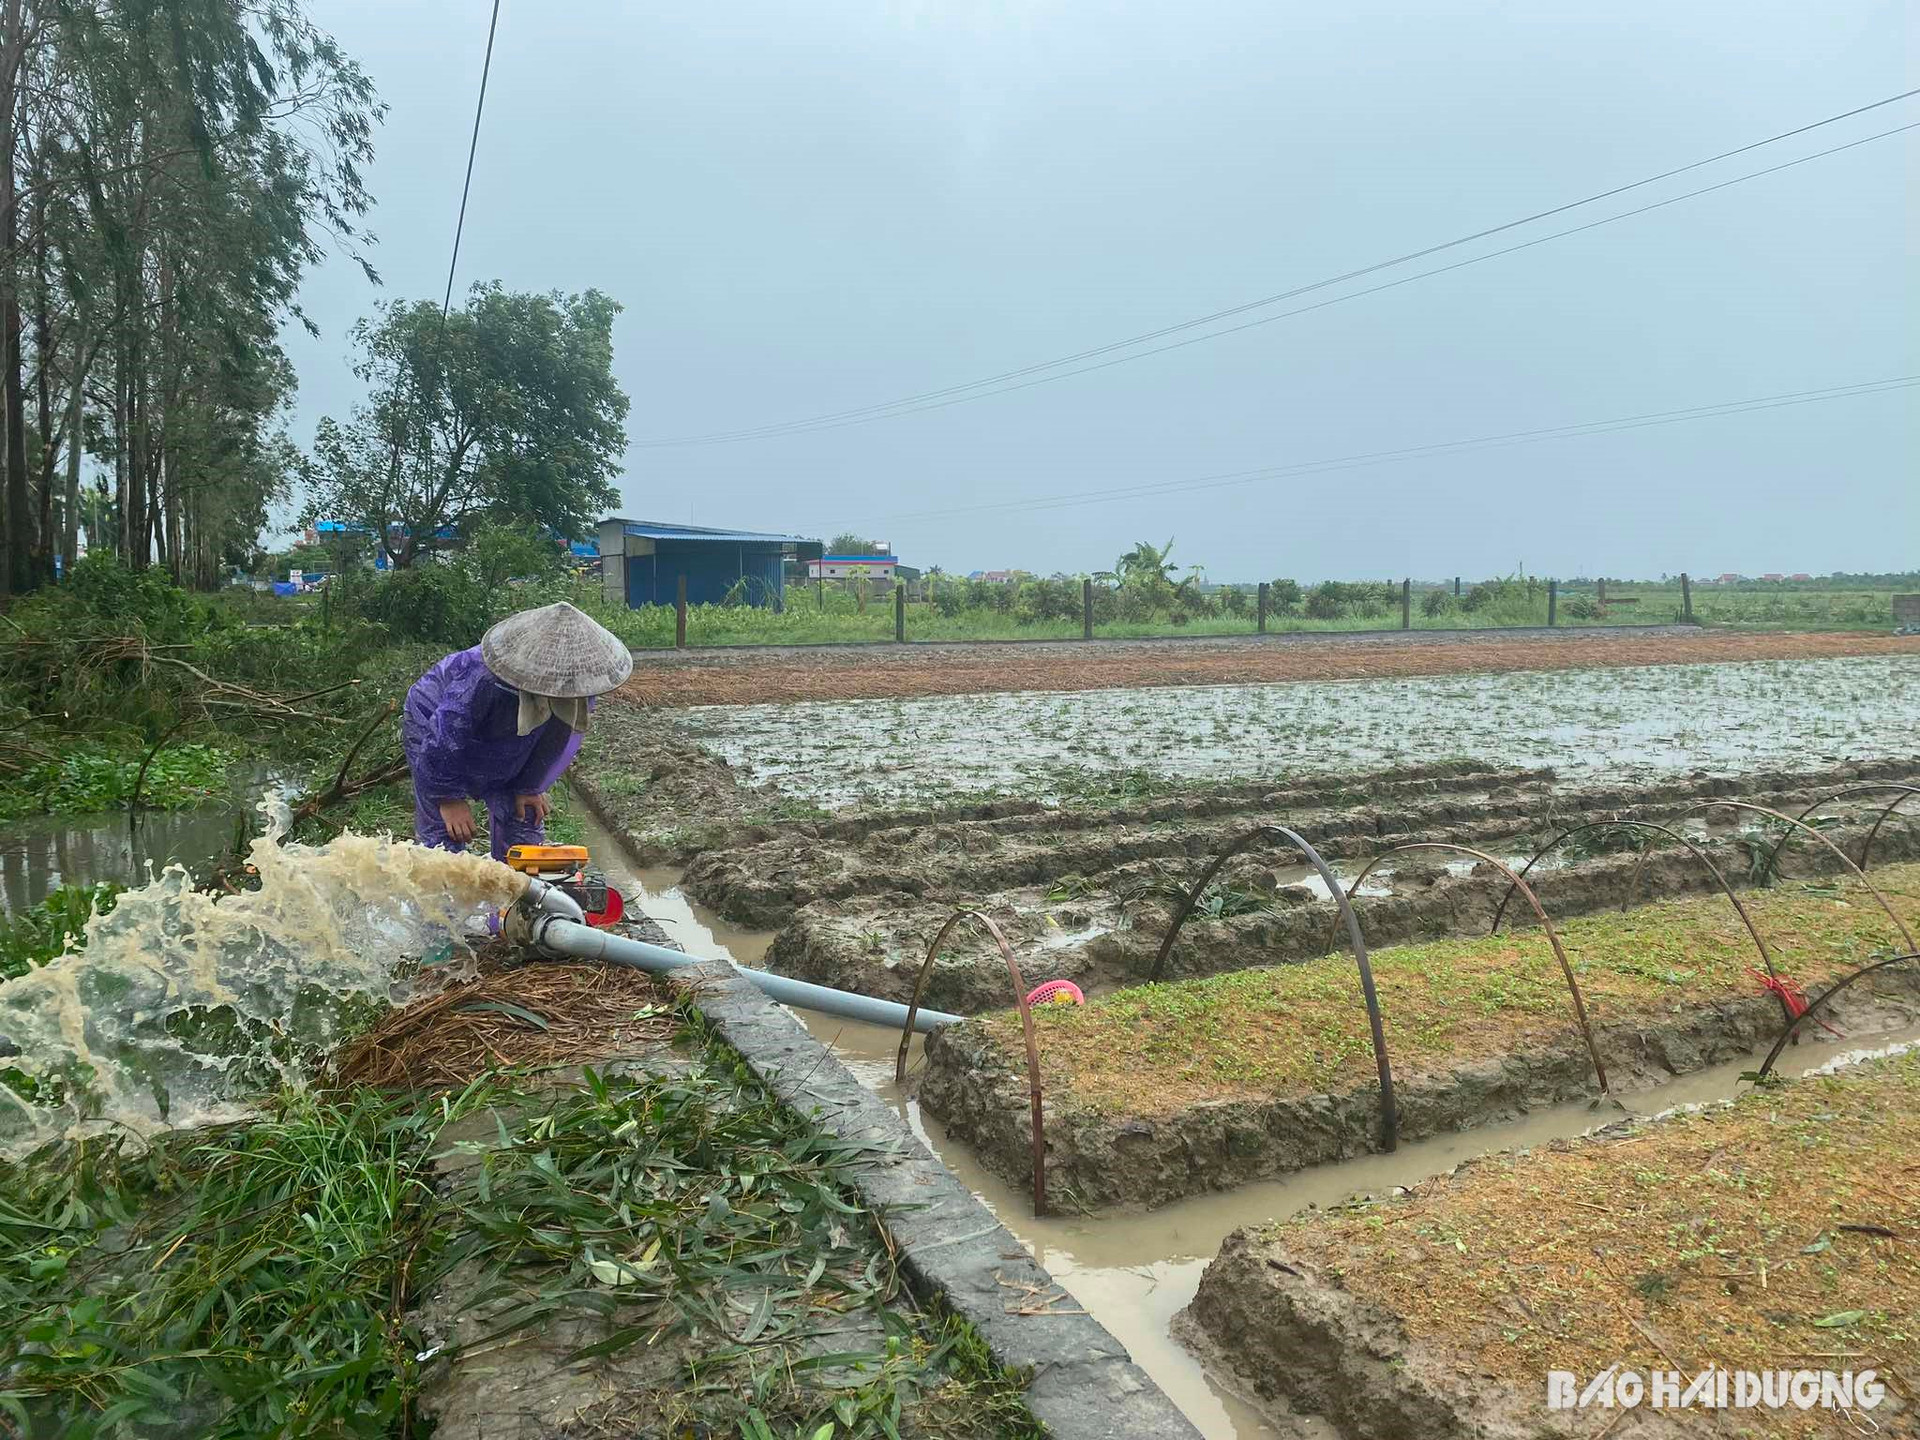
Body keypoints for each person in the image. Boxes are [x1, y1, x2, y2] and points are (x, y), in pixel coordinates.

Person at [403, 601, 633, 859]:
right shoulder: (481, 680)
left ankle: (518, 890)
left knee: (525, 818)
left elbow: (556, 737)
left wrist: (528, 786)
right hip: (436, 720)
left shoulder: (578, 686)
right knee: (446, 837)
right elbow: (446, 733)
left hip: (509, 726)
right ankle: (442, 889)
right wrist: (447, 798)